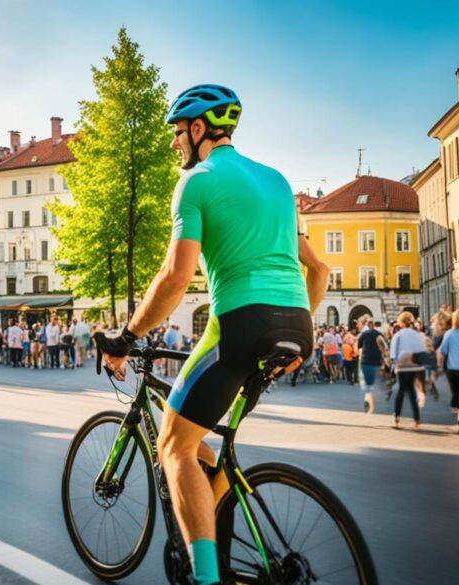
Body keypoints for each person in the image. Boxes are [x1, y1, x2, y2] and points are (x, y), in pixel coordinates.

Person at [97, 84, 325, 585]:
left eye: (178, 133)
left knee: (174, 447)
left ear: (198, 129)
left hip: (241, 322)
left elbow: (176, 277)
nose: (176, 144)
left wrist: (128, 336)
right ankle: (216, 533)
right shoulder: (279, 182)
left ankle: (205, 578)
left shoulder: (197, 182)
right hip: (297, 326)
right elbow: (317, 270)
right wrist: (295, 328)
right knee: (208, 440)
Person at [389, 311, 426, 429]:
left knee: (400, 390)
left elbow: (393, 352)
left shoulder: (398, 335)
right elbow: (420, 350)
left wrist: (394, 365)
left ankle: (397, 418)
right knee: (411, 390)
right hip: (413, 365)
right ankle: (416, 418)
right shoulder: (416, 334)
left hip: (401, 365)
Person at [356, 316, 386, 414]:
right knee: (374, 385)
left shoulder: (363, 335)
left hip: (365, 361)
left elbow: (358, 347)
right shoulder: (379, 334)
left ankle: (367, 401)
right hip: (376, 362)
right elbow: (385, 347)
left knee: (368, 385)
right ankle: (371, 404)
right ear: (373, 325)